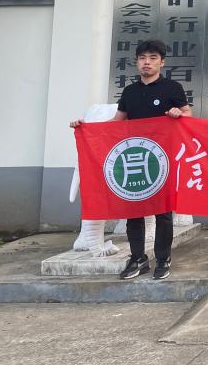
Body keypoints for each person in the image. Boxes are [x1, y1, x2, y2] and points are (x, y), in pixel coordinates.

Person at [70, 39, 191, 280]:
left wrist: (180, 113)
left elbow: (188, 114)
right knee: (133, 211)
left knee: (163, 213)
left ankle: (163, 259)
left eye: (153, 58)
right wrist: (87, 127)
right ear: (136, 62)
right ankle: (138, 258)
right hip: (135, 159)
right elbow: (117, 122)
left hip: (161, 160)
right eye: (143, 58)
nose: (147, 62)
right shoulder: (130, 91)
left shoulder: (172, 88)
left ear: (162, 62)